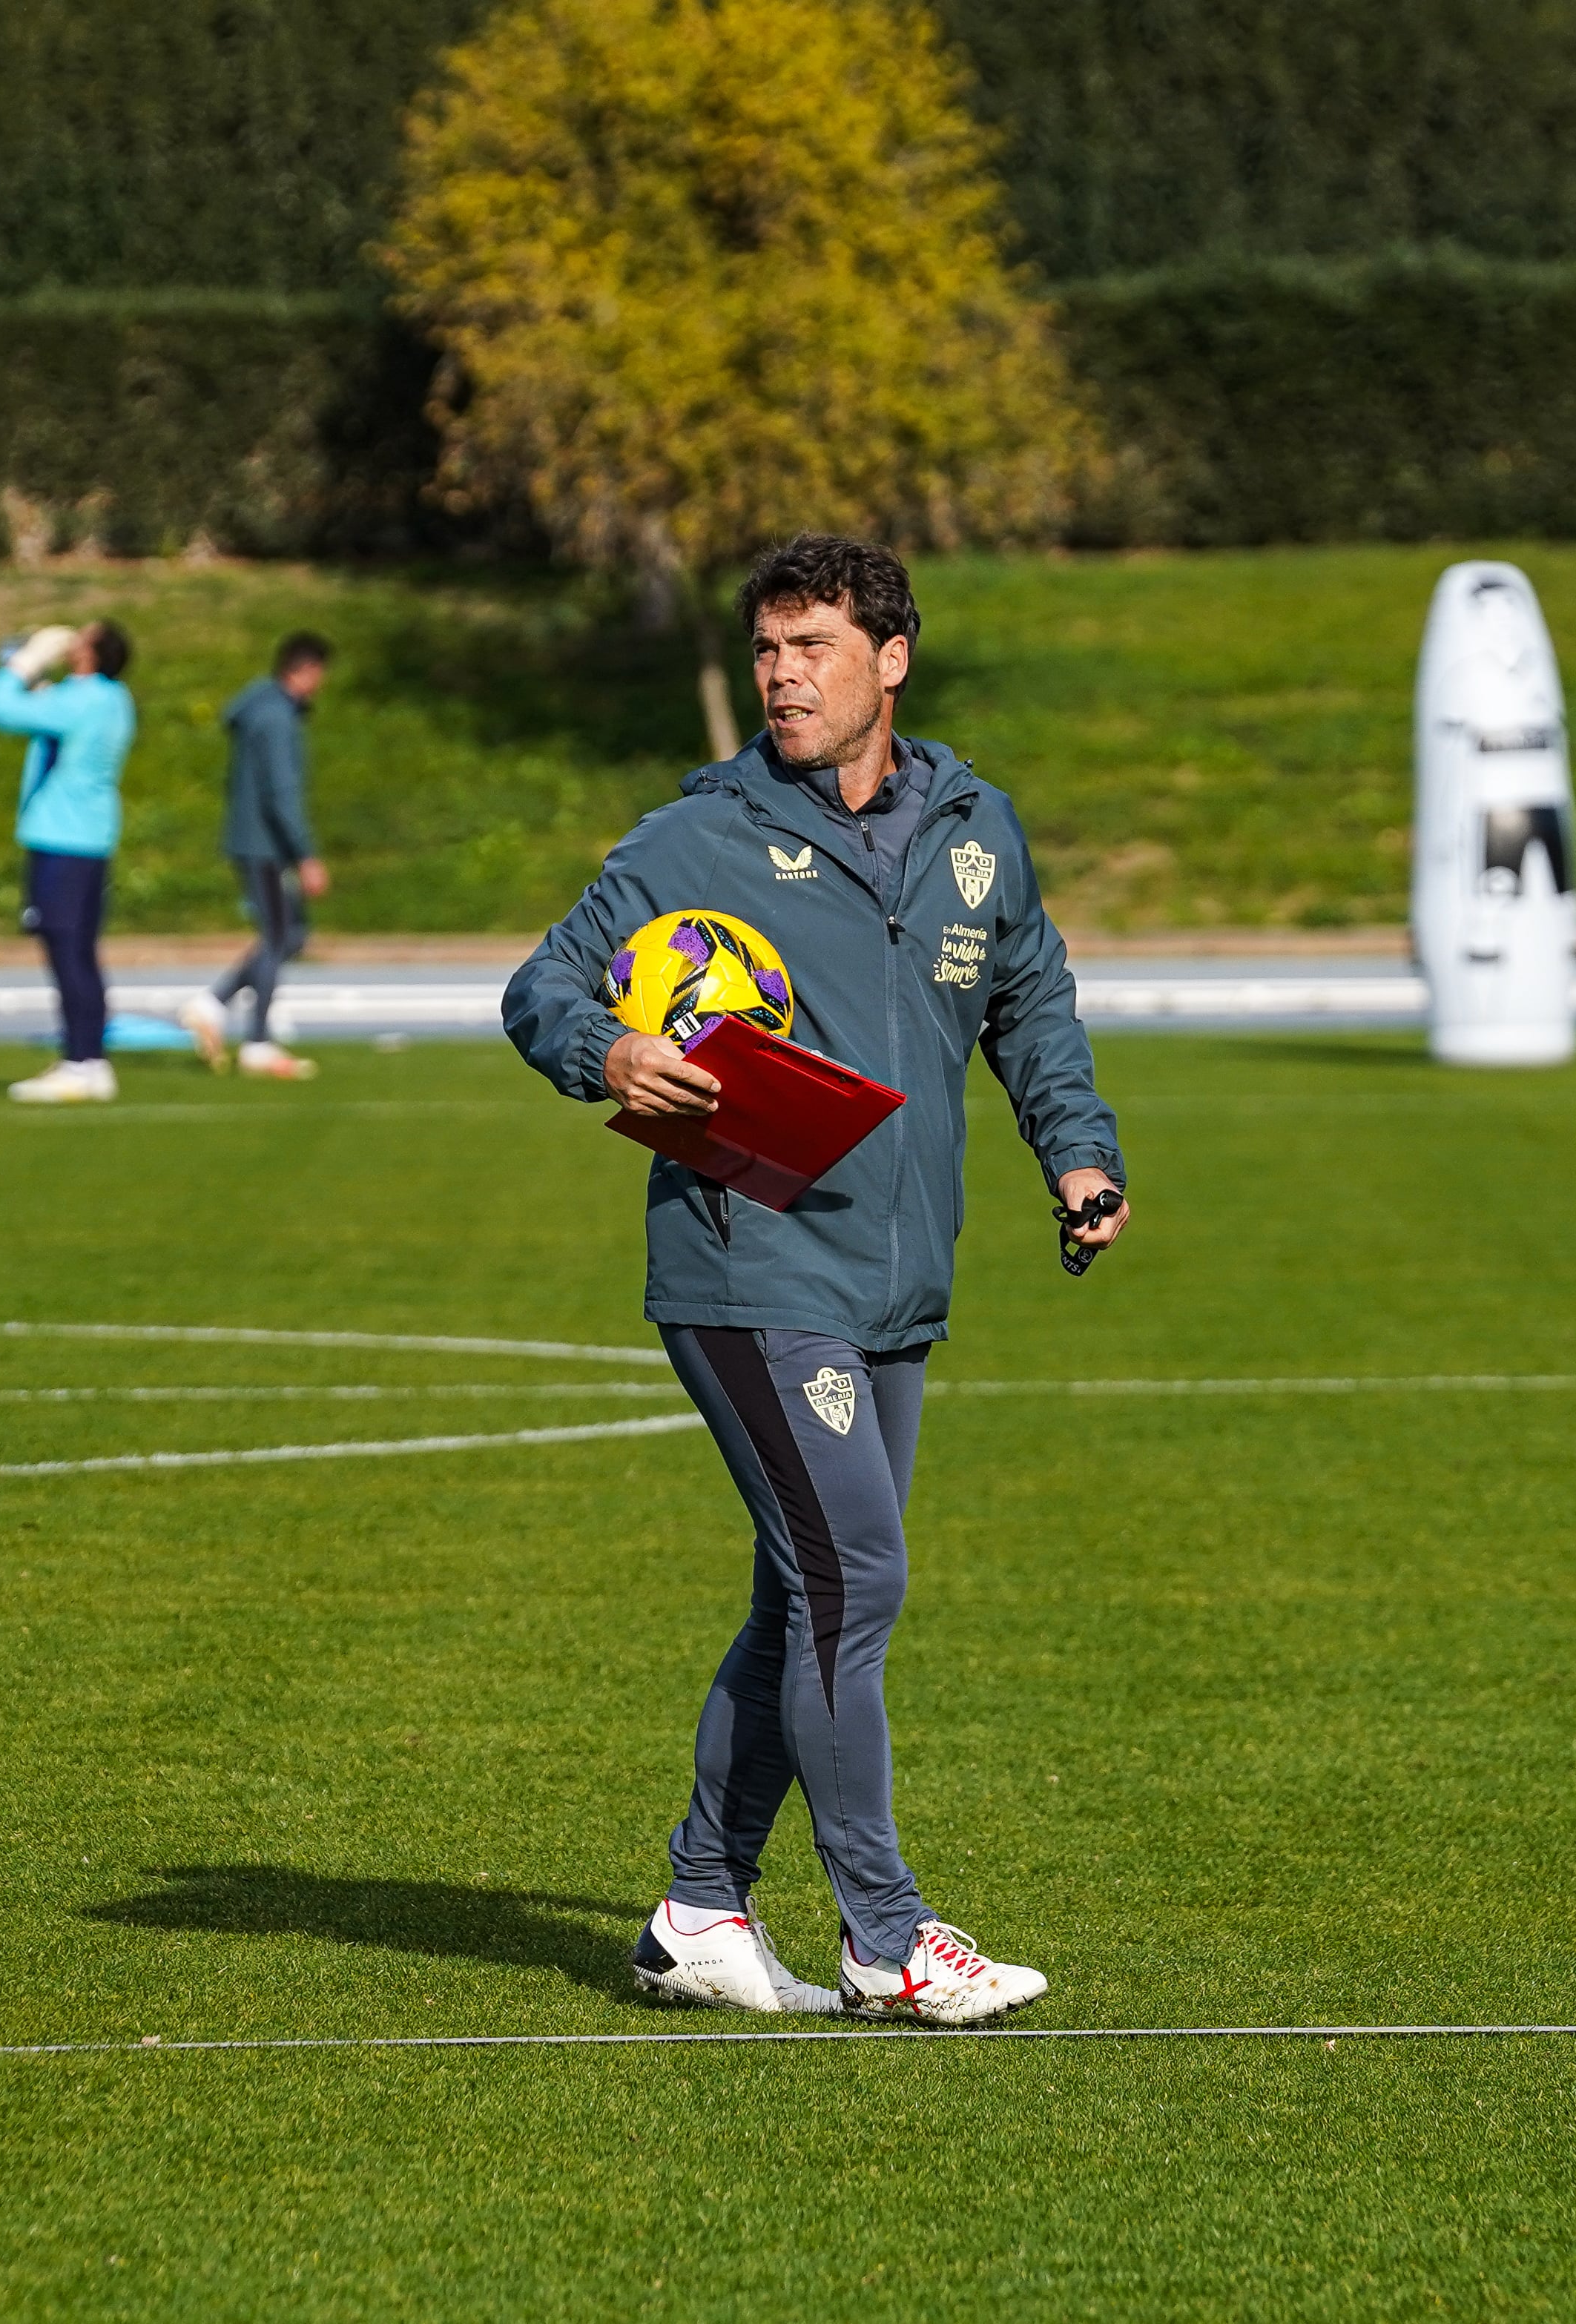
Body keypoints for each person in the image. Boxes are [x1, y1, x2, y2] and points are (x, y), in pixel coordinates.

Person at [503, 535, 1130, 2024]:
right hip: (745, 1258)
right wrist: (608, 1051)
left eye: (811, 647)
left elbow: (1027, 999)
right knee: (853, 1574)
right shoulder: (697, 833)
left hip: (896, 1273)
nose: (782, 676)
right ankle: (887, 1937)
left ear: (888, 660)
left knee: (809, 1598)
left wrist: (1078, 1156)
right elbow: (540, 985)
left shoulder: (975, 828)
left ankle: (697, 1907)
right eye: (767, 649)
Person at [0, 619, 133, 1104]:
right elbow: (59, 720)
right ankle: (91, 1059)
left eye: (81, 638)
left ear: (92, 654)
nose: (71, 641)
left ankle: (78, 1062)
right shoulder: (113, 699)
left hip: (60, 840)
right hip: (92, 837)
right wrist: (42, 687)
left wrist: (24, 664)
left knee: (65, 953)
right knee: (83, 953)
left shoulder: (79, 699)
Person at [179, 632, 331, 1080]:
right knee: (280, 936)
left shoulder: (260, 706)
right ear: (303, 670)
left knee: (287, 935)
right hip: (265, 843)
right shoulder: (276, 717)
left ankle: (220, 1009)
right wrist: (305, 855)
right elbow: (281, 792)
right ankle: (252, 1036)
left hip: (256, 839)